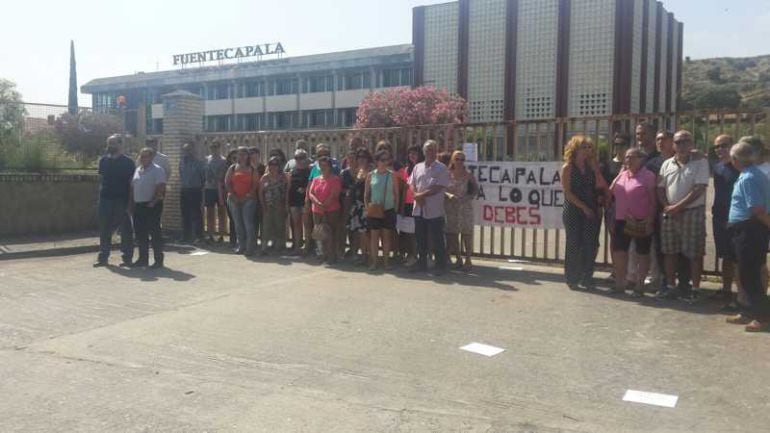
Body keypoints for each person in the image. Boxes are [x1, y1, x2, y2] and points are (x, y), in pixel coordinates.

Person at [657, 130, 710, 302]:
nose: (682, 145)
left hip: (691, 212)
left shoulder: (701, 162)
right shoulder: (666, 164)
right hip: (670, 212)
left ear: (692, 144)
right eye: (678, 142)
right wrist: (667, 206)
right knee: (669, 251)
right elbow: (660, 188)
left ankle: (695, 289)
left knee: (694, 253)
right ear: (673, 145)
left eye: (686, 141)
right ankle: (671, 286)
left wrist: (677, 207)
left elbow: (699, 188)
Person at [725, 141, 770, 332]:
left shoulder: (748, 178)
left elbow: (757, 209)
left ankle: (762, 317)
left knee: (749, 274)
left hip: (749, 230)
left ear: (736, 159)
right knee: (746, 272)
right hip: (746, 229)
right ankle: (749, 311)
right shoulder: (751, 174)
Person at [561, 135, 610, 290]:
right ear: (575, 148)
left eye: (590, 147)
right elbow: (568, 193)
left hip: (592, 208)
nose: (588, 150)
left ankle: (587, 277)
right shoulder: (568, 167)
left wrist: (596, 170)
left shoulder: (593, 167)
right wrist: (583, 207)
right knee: (574, 243)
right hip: (574, 209)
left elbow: (602, 185)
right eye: (584, 147)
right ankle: (572, 277)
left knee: (591, 243)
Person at [609, 148, 657, 296]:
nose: (628, 160)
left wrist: (650, 220)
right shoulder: (623, 174)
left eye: (632, 157)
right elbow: (611, 190)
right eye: (627, 157)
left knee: (642, 252)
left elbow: (653, 200)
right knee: (619, 251)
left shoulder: (648, 176)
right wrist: (620, 173)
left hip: (640, 219)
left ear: (641, 159)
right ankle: (620, 283)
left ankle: (640, 285)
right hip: (621, 218)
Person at [409, 140, 451, 275]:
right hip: (419, 209)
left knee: (437, 238)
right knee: (420, 238)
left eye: (432, 149)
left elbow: (438, 187)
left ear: (436, 151)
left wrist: (421, 195)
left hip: (434, 210)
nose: (430, 152)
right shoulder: (417, 167)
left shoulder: (442, 168)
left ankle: (440, 265)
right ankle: (422, 263)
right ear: (424, 151)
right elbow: (411, 183)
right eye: (427, 150)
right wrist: (416, 195)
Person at [94, 134, 135, 267]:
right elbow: (101, 180)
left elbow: (131, 184)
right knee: (104, 228)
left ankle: (127, 258)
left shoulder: (128, 162)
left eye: (113, 143)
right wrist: (99, 198)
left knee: (125, 229)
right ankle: (103, 257)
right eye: (109, 143)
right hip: (105, 199)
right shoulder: (103, 161)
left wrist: (130, 203)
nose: (110, 146)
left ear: (120, 144)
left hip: (121, 200)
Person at [710, 135, 739, 301]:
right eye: (717, 146)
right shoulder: (718, 167)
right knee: (726, 256)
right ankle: (727, 290)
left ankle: (743, 293)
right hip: (720, 216)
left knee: (739, 258)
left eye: (724, 145)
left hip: (736, 218)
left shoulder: (740, 167)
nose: (720, 149)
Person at [128, 148, 167, 268]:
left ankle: (158, 260)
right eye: (141, 156)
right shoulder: (138, 170)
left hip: (152, 205)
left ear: (151, 157)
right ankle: (143, 259)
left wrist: (153, 201)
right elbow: (133, 188)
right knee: (140, 233)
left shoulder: (157, 170)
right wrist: (131, 204)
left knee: (154, 233)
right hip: (139, 205)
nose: (143, 159)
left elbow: (161, 187)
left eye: (145, 156)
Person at [365, 150, 400, 271]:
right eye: (382, 160)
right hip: (374, 210)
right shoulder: (370, 175)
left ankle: (386, 262)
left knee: (386, 237)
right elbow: (366, 194)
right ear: (377, 161)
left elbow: (396, 194)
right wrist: (367, 207)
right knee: (374, 238)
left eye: (387, 160)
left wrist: (395, 209)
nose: (385, 162)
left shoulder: (392, 175)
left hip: (388, 209)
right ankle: (374, 262)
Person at [445, 150, 479, 271]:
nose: (459, 162)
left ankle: (468, 259)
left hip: (465, 208)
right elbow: (441, 189)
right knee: (453, 234)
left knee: (467, 234)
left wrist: (467, 197)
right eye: (457, 159)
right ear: (453, 160)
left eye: (462, 159)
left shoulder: (468, 175)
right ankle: (458, 258)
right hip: (451, 207)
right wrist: (449, 195)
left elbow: (476, 190)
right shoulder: (447, 174)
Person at [308, 156, 343, 264]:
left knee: (331, 233)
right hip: (317, 210)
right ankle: (322, 255)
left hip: (332, 210)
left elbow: (334, 194)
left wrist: (324, 205)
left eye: (325, 165)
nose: (323, 168)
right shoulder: (316, 179)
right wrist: (317, 203)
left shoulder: (335, 179)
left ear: (330, 167)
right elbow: (311, 193)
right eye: (321, 165)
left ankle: (332, 256)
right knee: (319, 234)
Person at [225, 147, 259, 256]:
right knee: (238, 224)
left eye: (244, 154)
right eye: (240, 154)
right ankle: (241, 246)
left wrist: (246, 196)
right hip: (233, 199)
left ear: (247, 156)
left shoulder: (252, 169)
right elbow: (227, 182)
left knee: (248, 223)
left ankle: (250, 247)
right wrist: (233, 195)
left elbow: (255, 185)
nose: (242, 156)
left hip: (248, 200)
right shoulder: (233, 168)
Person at [342, 148, 372, 265]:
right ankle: (363, 256)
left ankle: (368, 257)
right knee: (359, 232)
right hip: (356, 205)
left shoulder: (371, 171)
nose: (361, 159)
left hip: (366, 205)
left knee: (365, 233)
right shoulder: (359, 171)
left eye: (364, 157)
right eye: (359, 157)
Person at [397, 145, 423, 267]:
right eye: (410, 153)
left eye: (415, 153)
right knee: (407, 232)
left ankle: (416, 255)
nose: (412, 156)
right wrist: (401, 206)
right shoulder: (405, 170)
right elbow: (403, 189)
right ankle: (411, 255)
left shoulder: (423, 169)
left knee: (416, 232)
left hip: (418, 204)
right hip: (407, 204)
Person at [259, 156, 288, 255]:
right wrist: (263, 206)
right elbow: (260, 193)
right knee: (266, 226)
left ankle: (279, 246)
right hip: (268, 205)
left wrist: (285, 205)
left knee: (279, 225)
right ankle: (264, 247)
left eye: (275, 164)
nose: (273, 167)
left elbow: (287, 191)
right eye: (271, 164)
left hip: (280, 205)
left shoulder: (283, 177)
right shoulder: (264, 177)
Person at [178, 142, 206, 243]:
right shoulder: (181, 162)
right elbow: (181, 174)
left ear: (193, 150)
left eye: (189, 150)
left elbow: (203, 177)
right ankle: (186, 236)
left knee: (196, 213)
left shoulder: (199, 162)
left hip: (195, 190)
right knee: (185, 214)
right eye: (185, 150)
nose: (187, 152)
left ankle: (199, 236)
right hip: (184, 190)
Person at [287, 149, 311, 255]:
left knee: (307, 224)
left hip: (305, 201)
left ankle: (307, 247)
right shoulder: (292, 171)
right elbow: (288, 187)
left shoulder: (310, 171)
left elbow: (313, 186)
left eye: (301, 157)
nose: (299, 160)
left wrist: (305, 189)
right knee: (296, 224)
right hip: (294, 200)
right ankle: (297, 247)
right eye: (297, 158)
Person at [204, 141, 228, 243]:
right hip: (209, 188)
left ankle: (222, 234)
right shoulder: (207, 159)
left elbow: (223, 174)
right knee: (209, 212)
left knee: (221, 212)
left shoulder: (223, 161)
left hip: (220, 189)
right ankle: (210, 234)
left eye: (216, 147)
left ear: (219, 148)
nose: (214, 149)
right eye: (212, 147)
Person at [225, 149, 239, 248]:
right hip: (231, 197)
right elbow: (225, 183)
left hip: (243, 198)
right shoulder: (228, 169)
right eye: (233, 158)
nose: (235, 160)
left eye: (236, 157)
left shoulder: (245, 168)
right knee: (233, 220)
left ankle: (242, 240)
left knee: (242, 220)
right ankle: (233, 240)